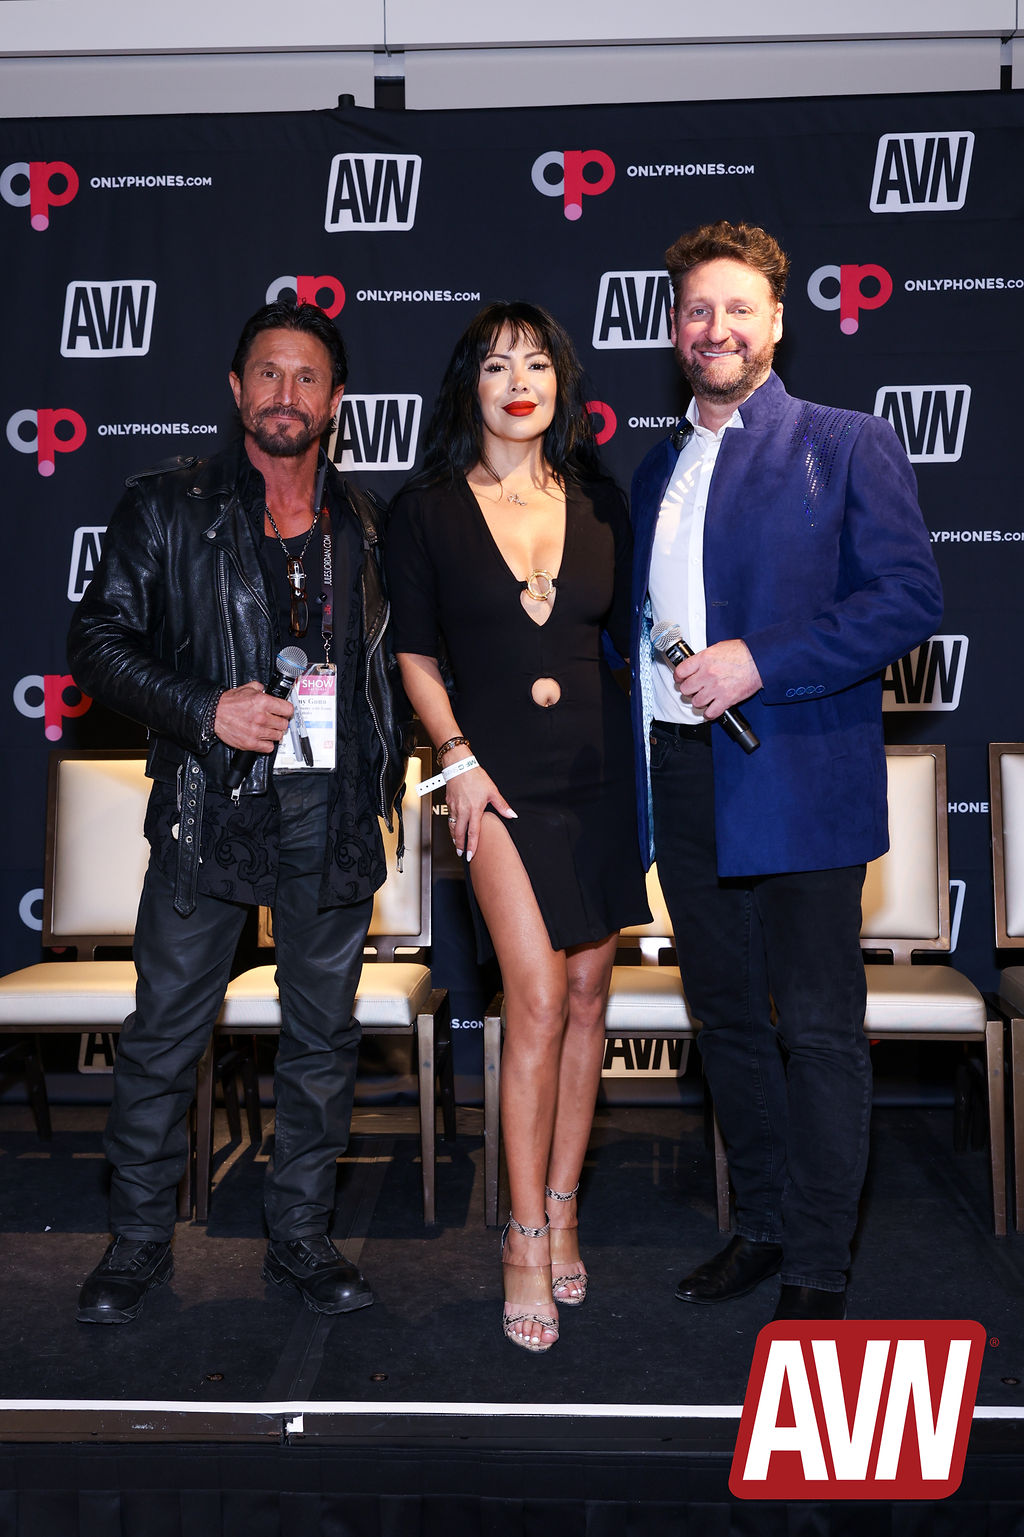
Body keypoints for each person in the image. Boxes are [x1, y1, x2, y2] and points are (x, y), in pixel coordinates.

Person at [68, 299, 407, 1324]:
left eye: (306, 377)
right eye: (267, 372)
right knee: (165, 1032)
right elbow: (95, 645)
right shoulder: (164, 506)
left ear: (336, 400)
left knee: (321, 1036)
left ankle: (300, 1235)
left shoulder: (369, 522)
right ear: (235, 388)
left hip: (331, 810)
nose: (284, 394)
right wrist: (204, 708)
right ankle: (136, 1240)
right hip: (207, 805)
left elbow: (398, 668)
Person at [629, 221, 943, 1321]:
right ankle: (760, 1225)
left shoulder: (847, 442)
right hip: (683, 775)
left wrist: (761, 660)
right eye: (696, 311)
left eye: (736, 308)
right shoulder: (655, 468)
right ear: (675, 330)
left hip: (800, 776)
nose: (714, 328)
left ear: (775, 322)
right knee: (725, 1023)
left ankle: (818, 1263)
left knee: (816, 1028)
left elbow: (908, 599)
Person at [387, 301, 650, 1352]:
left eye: (536, 364)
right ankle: (522, 1237)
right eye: (496, 366)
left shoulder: (600, 503)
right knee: (535, 995)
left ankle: (566, 1204)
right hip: (488, 779)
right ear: (470, 387)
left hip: (596, 775)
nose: (518, 382)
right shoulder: (425, 510)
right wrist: (454, 755)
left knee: (587, 997)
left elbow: (634, 637)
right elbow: (413, 653)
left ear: (560, 384)